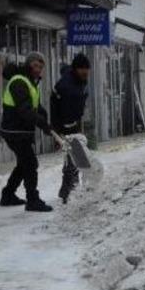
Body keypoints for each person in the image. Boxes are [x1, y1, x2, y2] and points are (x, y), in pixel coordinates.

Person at [0, 51, 58, 212]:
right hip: (14, 131)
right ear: (28, 64)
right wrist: (43, 125)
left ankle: (8, 195)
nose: (38, 69)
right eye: (35, 65)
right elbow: (25, 110)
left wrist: (46, 119)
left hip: (20, 131)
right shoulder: (19, 82)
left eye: (41, 66)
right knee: (30, 163)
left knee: (24, 163)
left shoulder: (31, 82)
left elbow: (35, 106)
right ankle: (32, 199)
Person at [51, 53, 91, 204]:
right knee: (75, 157)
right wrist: (61, 132)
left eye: (87, 70)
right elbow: (62, 110)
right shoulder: (67, 87)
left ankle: (65, 189)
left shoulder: (78, 80)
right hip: (65, 126)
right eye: (83, 70)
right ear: (76, 69)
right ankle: (72, 191)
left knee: (73, 157)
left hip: (72, 123)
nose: (86, 73)